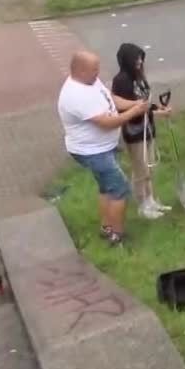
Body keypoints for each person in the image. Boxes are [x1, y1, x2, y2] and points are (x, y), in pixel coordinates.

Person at [59, 51, 150, 247]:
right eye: (94, 70)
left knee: (106, 187)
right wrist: (134, 112)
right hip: (92, 152)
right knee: (120, 189)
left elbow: (111, 100)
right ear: (80, 70)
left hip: (103, 147)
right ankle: (117, 236)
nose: (97, 73)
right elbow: (107, 123)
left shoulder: (90, 81)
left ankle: (106, 226)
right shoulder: (75, 95)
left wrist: (134, 103)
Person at [111, 43, 173, 220]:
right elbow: (129, 108)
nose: (139, 61)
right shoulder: (121, 80)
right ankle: (143, 205)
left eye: (141, 58)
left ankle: (151, 199)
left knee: (150, 166)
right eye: (136, 58)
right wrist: (154, 112)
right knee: (141, 169)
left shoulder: (139, 77)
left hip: (148, 128)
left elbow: (145, 102)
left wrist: (159, 108)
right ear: (127, 60)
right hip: (134, 130)